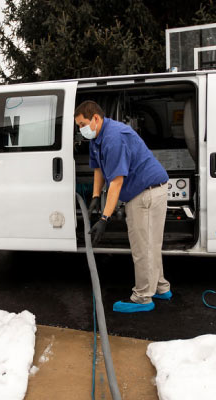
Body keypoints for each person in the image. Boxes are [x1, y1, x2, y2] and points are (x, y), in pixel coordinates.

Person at [74, 100, 172, 313]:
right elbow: (99, 169)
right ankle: (161, 287)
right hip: (151, 189)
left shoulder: (113, 138)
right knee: (151, 244)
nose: (81, 129)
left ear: (96, 119)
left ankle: (143, 298)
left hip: (146, 194)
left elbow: (117, 182)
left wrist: (104, 219)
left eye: (83, 124)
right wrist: (95, 196)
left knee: (142, 248)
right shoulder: (97, 137)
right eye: (79, 126)